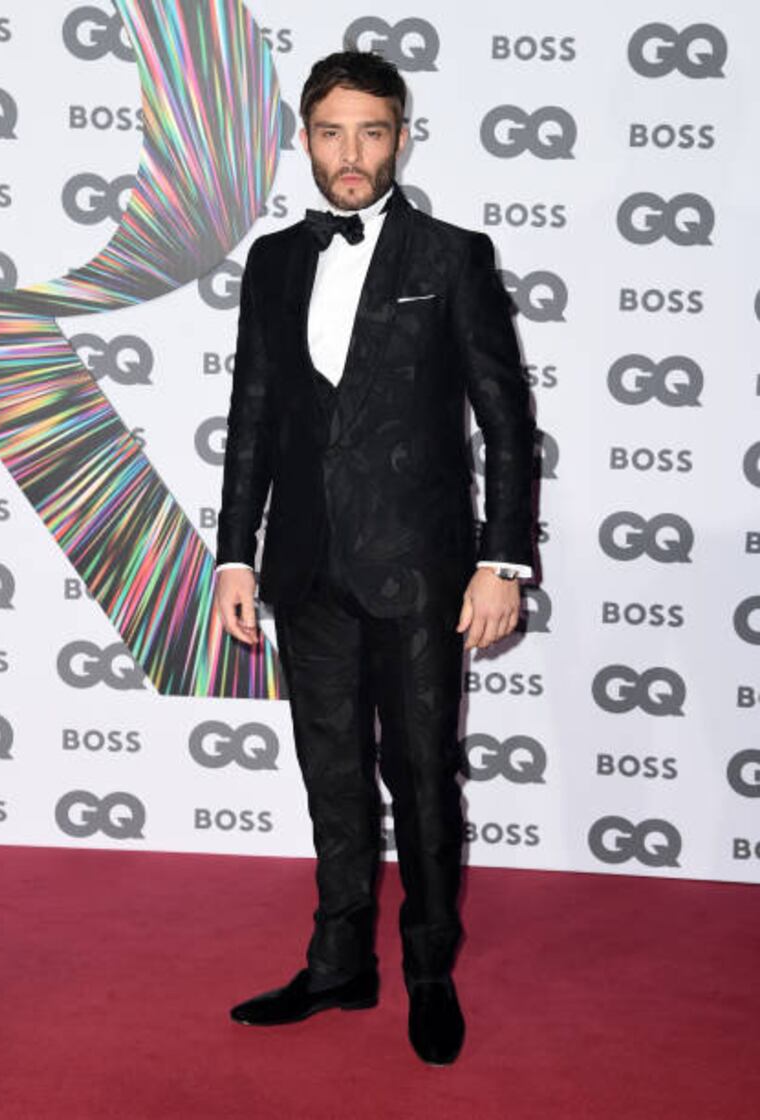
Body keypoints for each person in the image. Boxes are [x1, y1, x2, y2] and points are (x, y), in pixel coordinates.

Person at [214, 49, 534, 1066]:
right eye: (330, 132)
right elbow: (254, 417)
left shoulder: (451, 257)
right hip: (305, 569)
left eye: (371, 131)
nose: (350, 155)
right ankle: (338, 961)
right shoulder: (272, 260)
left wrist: (504, 561)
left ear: (400, 137)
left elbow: (506, 424)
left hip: (421, 570)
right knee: (331, 774)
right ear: (303, 139)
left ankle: (429, 969)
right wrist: (233, 556)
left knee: (423, 775)